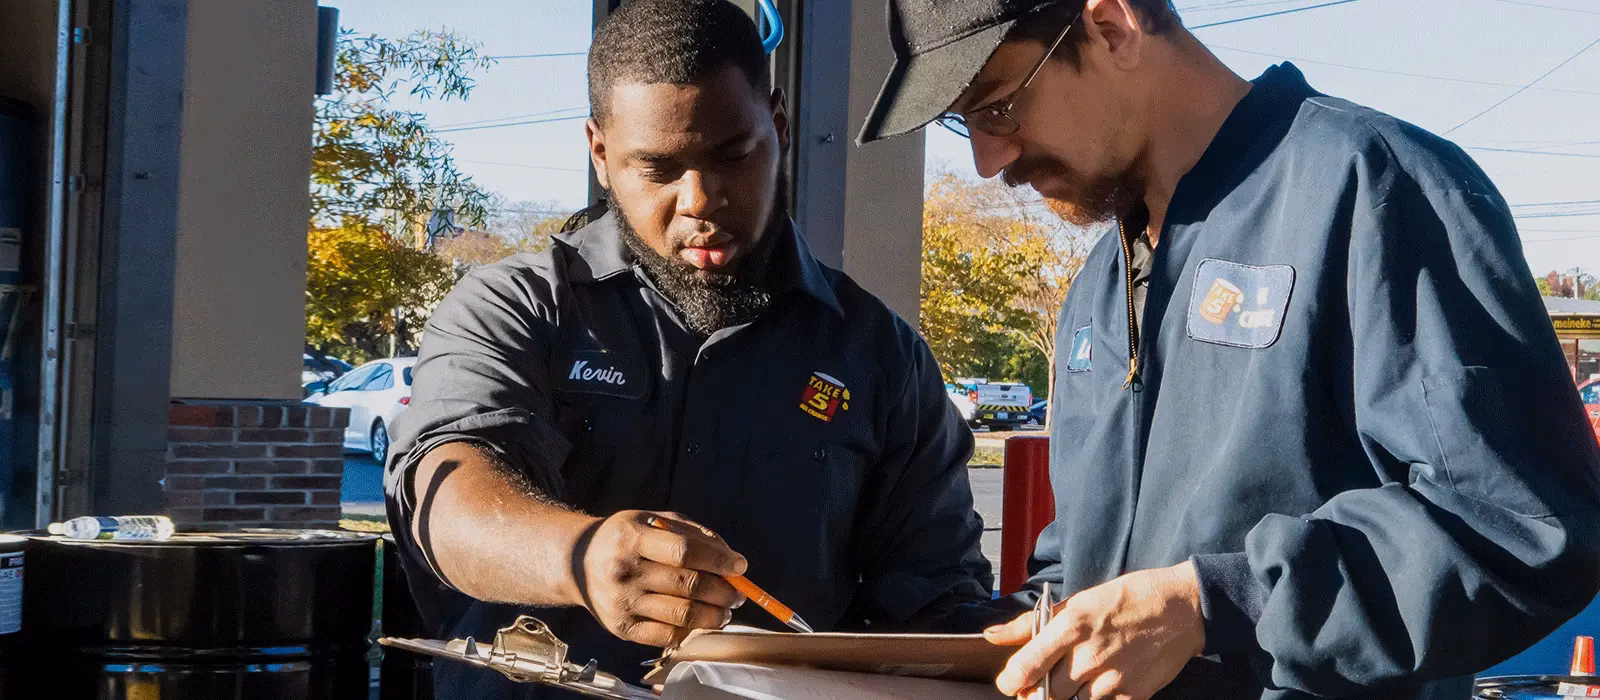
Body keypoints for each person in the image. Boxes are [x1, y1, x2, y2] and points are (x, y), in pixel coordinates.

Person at [859, 1, 1600, 699]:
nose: (990, 161)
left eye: (997, 106)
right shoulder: (1100, 286)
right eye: (968, 126)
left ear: (1112, 27)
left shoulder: (1374, 187)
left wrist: (1214, 603)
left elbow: (1517, 526)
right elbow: (1085, 566)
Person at [384, 0, 998, 696]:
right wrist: (580, 557)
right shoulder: (516, 308)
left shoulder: (879, 354)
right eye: (658, 169)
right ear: (600, 153)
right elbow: (445, 494)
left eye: (733, 156)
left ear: (781, 126)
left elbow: (938, 602)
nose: (699, 200)